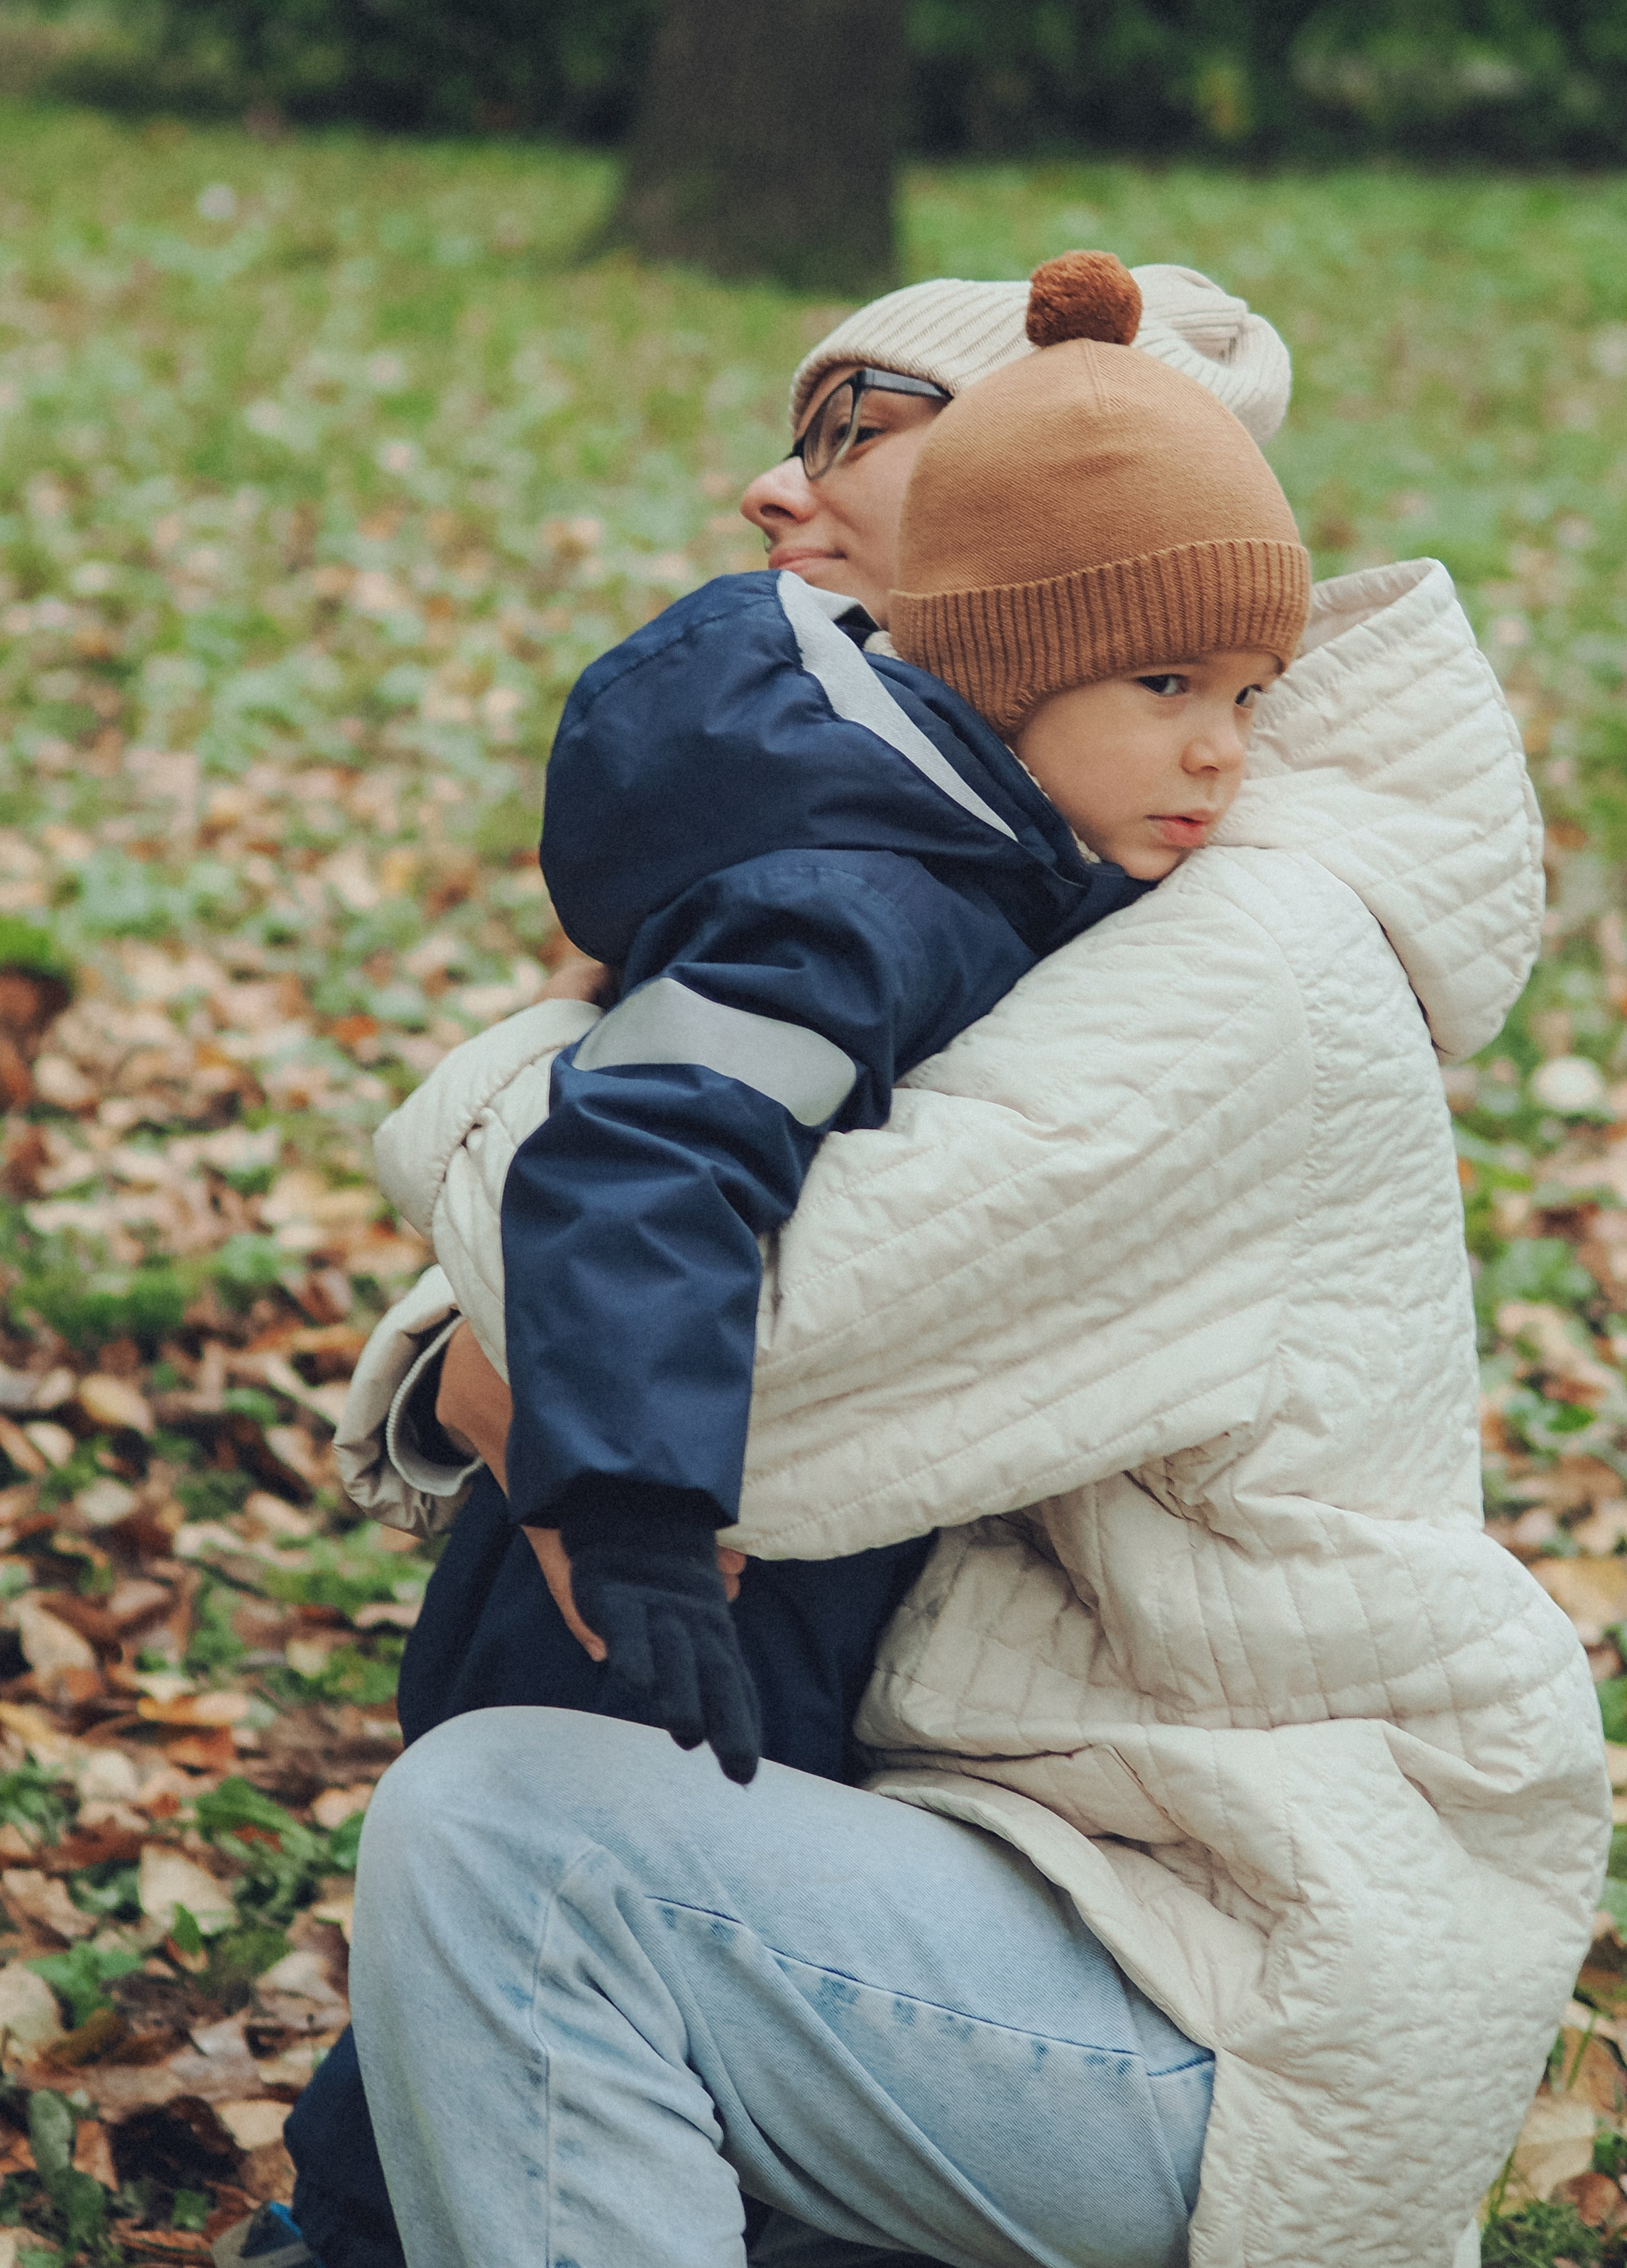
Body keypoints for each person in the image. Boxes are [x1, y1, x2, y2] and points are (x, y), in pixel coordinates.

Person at [332, 314, 1609, 2262]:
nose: (784, 482)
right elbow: (646, 1261)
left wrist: (520, 1073)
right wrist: (501, 1336)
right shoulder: (1041, 860)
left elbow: (769, 1379)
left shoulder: (1232, 960)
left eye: (870, 425)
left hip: (1227, 1974)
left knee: (516, 1845)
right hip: (1045, 1855)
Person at [256, 256, 1299, 2268]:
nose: (769, 484)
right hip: (703, 1563)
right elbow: (640, 1132)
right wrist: (607, 1453)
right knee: (552, 1859)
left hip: (982, 1727)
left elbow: (689, 1189)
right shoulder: (887, 856)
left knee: (578, 1886)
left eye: (860, 435)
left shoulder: (1084, 860)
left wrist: (545, 1384)